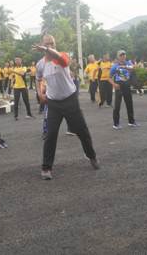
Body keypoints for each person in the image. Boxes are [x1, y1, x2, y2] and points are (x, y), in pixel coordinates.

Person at [35, 35, 100, 180]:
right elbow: (38, 78)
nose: (50, 45)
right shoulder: (40, 64)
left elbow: (62, 60)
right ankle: (46, 168)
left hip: (70, 100)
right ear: (42, 45)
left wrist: (47, 49)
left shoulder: (61, 56)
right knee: (50, 134)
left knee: (82, 131)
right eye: (47, 44)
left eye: (52, 43)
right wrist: (40, 93)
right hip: (53, 103)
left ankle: (91, 156)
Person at [109, 50, 138, 129]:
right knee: (117, 106)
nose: (123, 57)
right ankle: (116, 124)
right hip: (119, 85)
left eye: (124, 55)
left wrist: (127, 67)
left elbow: (133, 68)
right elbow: (109, 78)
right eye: (121, 55)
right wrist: (114, 84)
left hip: (127, 85)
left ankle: (131, 122)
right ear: (118, 57)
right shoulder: (115, 66)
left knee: (129, 104)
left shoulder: (128, 63)